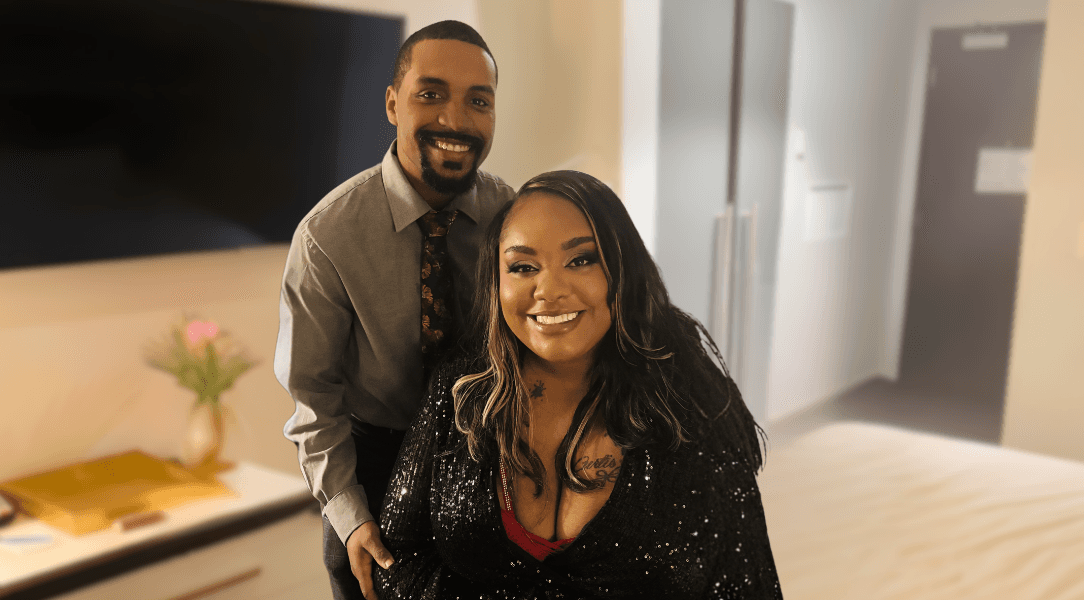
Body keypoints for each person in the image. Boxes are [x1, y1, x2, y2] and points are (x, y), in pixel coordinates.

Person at [374, 170, 783, 598]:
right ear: (497, 282)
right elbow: (398, 555)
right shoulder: (460, 390)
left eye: (581, 260)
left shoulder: (695, 405)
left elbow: (744, 583)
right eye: (523, 266)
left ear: (622, 269)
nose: (549, 290)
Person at [274, 20, 514, 600]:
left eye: (477, 101)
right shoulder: (328, 235)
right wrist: (350, 514)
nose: (455, 120)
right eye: (430, 94)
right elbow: (313, 395)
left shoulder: (514, 215)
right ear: (391, 103)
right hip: (375, 469)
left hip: (491, 455)